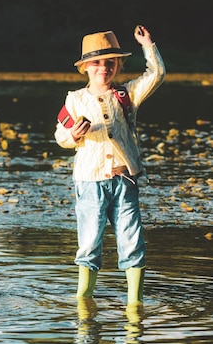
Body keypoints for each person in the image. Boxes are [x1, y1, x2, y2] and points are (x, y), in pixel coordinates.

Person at [54, 26, 165, 307]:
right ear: (85, 67)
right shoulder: (75, 99)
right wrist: (74, 135)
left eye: (110, 62)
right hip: (89, 182)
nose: (103, 67)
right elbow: (60, 136)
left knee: (132, 241)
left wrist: (147, 45)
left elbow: (157, 74)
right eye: (96, 62)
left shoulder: (127, 94)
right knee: (90, 242)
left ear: (118, 65)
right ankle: (83, 300)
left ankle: (134, 302)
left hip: (125, 181)